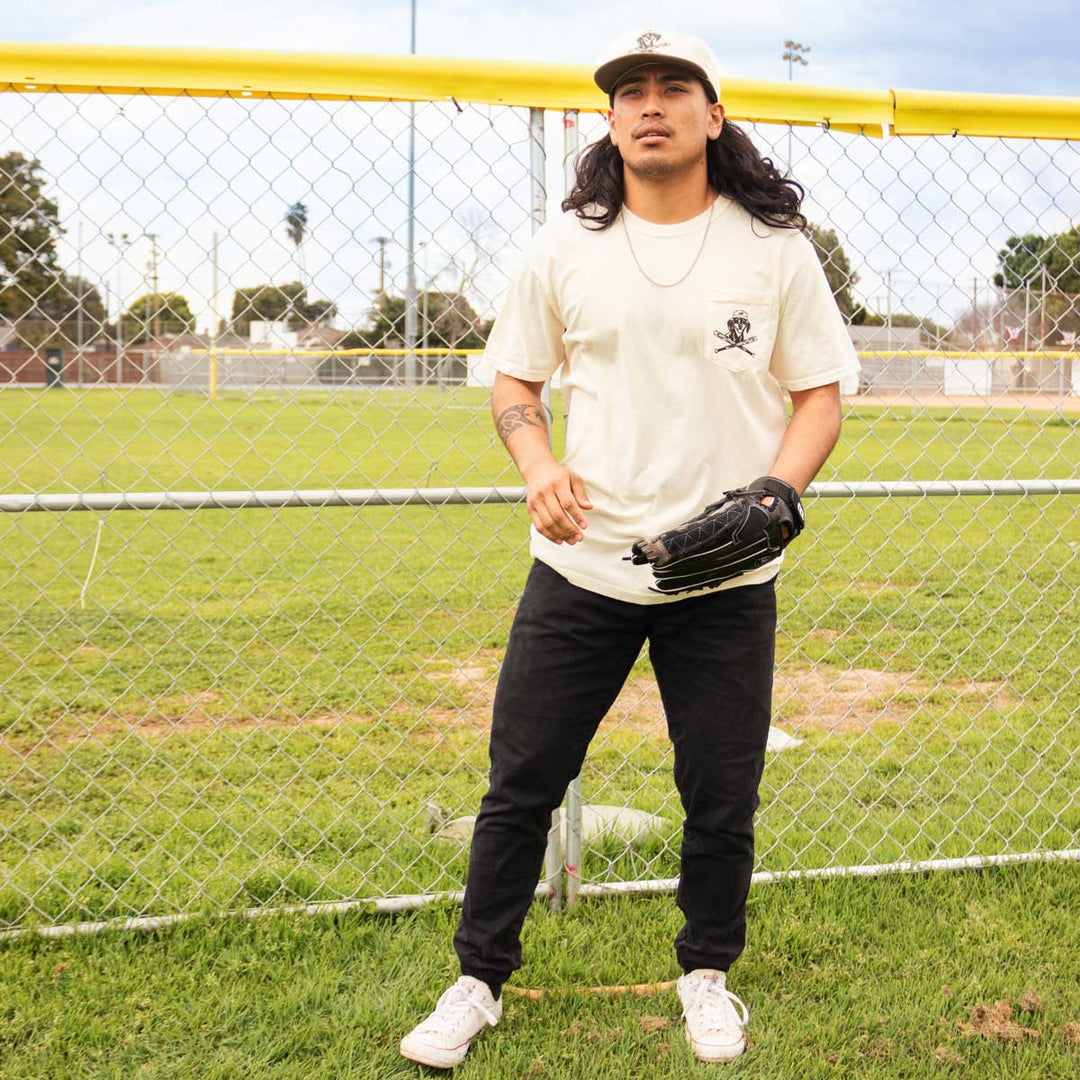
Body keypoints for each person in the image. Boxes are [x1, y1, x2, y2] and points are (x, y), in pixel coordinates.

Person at [400, 27, 861, 1068]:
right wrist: (538, 469)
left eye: (673, 88)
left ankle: (706, 976)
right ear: (610, 121)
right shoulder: (564, 247)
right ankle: (476, 982)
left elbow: (820, 396)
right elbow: (515, 388)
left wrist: (779, 491)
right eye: (630, 91)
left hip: (725, 572)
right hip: (585, 565)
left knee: (721, 791)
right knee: (521, 780)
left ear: (713, 114)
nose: (650, 104)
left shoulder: (773, 248)